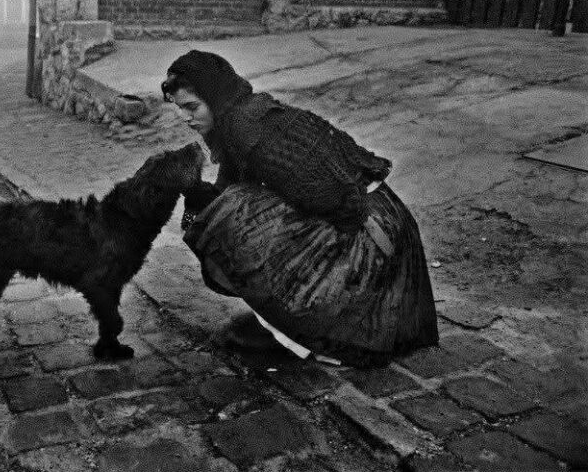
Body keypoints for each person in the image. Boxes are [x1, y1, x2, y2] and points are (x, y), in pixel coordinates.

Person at [162, 50, 438, 367]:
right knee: (233, 213)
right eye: (181, 109)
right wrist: (193, 188)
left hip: (374, 230)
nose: (186, 118)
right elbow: (228, 190)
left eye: (192, 107)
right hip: (367, 216)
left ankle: (308, 328)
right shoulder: (239, 119)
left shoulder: (245, 127)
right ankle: (284, 325)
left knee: (241, 218)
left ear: (215, 96)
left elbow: (339, 198)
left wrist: (308, 253)